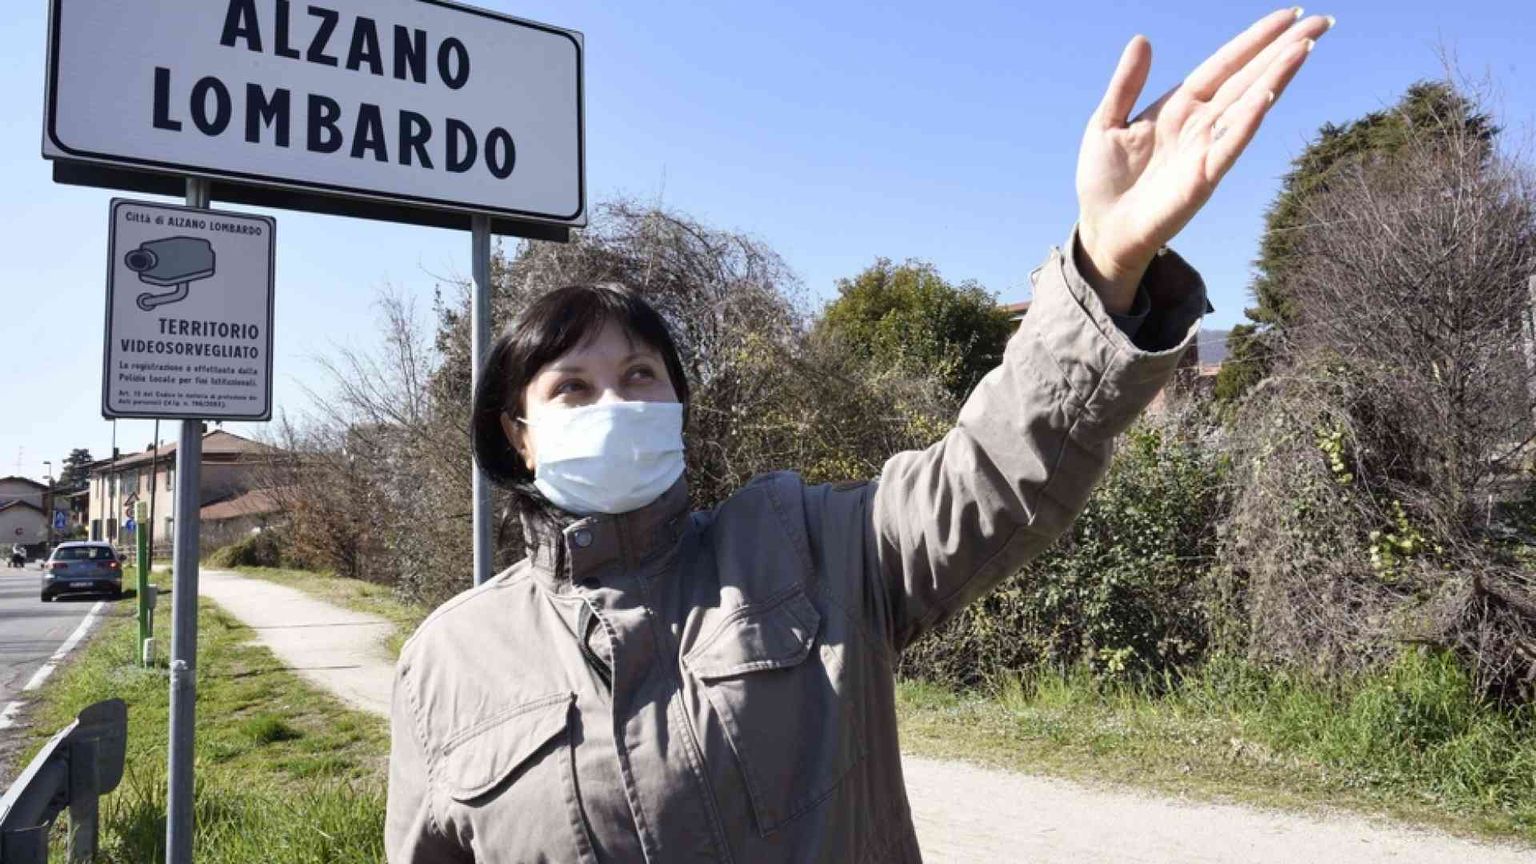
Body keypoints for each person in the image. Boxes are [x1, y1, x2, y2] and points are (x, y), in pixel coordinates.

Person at [386, 9, 1333, 862]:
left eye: (640, 377)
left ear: (678, 402)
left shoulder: (802, 544)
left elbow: (992, 476)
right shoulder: (445, 663)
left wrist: (1106, 266)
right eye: (572, 389)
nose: (615, 405)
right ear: (517, 435)